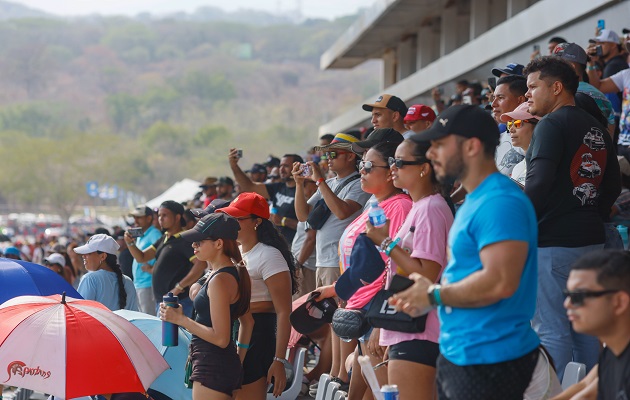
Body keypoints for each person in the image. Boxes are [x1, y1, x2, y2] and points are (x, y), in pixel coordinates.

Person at [390, 105, 541, 400]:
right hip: (466, 350)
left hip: (489, 355)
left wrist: (433, 295)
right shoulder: (477, 198)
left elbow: (500, 282)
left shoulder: (499, 201)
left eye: (439, 144)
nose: (431, 154)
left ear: (471, 146)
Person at [523, 56, 621, 377]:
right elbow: (612, 187)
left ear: (556, 87)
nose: (528, 95)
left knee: (551, 329)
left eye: (533, 87)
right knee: (585, 330)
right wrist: (586, 210)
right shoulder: (597, 127)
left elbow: (538, 182)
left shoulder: (551, 124)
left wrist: (517, 223)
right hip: (591, 241)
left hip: (551, 243)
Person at [308, 135, 412, 397]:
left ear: (391, 172)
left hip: (374, 312)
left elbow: (396, 267)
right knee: (359, 391)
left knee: (381, 392)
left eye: (367, 166)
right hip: (361, 307)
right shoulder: (375, 203)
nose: (361, 171)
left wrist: (382, 323)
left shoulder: (399, 206)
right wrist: (336, 289)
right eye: (361, 165)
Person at [363, 137, 452, 400]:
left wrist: (386, 242)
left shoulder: (431, 209)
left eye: (399, 162)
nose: (393, 167)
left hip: (422, 328)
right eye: (391, 161)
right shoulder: (420, 207)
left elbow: (426, 273)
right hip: (410, 326)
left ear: (424, 168)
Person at [160, 213, 253, 400]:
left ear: (219, 243)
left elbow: (220, 338)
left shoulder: (220, 280)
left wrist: (181, 319)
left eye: (199, 241)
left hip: (214, 365)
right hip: (214, 362)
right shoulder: (221, 274)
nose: (194, 246)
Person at [218, 192, 296, 400]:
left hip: (258, 337)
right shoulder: (240, 251)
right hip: (238, 332)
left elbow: (283, 311)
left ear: (257, 222)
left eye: (238, 219)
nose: (232, 224)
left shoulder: (269, 255)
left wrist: (279, 360)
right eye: (230, 219)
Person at [295, 133, 371, 288]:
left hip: (341, 260)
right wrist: (298, 184)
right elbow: (303, 216)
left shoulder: (359, 184)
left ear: (350, 157)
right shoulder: (328, 183)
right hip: (322, 260)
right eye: (326, 154)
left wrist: (320, 181)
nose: (328, 158)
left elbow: (342, 212)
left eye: (333, 154)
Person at [565, 250, 630, 399]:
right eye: (567, 294)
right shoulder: (613, 351)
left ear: (619, 302)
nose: (567, 303)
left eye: (578, 296)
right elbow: (584, 390)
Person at [125, 200, 206, 317]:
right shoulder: (165, 238)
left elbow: (200, 264)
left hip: (178, 302)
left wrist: (179, 287)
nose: (160, 219)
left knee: (178, 335)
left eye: (165, 215)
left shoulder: (185, 239)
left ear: (177, 217)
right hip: (163, 301)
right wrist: (130, 243)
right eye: (159, 216)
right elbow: (142, 257)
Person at [229, 151, 303, 244]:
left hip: (295, 246)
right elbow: (249, 187)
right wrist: (234, 166)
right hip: (277, 244)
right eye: (281, 166)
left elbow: (309, 226)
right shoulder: (278, 187)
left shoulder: (304, 191)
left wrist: (284, 221)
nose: (282, 169)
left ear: (297, 167)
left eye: (286, 166)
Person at [74, 234, 139, 311]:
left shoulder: (90, 279)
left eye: (88, 253)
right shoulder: (128, 281)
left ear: (103, 256)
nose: (83, 256)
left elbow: (81, 313)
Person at [128, 205, 162, 315]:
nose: (135, 221)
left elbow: (162, 255)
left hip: (148, 284)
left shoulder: (155, 234)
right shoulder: (141, 235)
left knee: (149, 319)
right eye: (134, 218)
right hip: (140, 284)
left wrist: (152, 269)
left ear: (148, 218)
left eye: (139, 217)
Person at [499, 102, 540, 186]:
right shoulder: (518, 168)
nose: (511, 129)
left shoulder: (547, 163)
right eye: (510, 124)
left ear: (538, 126)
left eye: (517, 123)